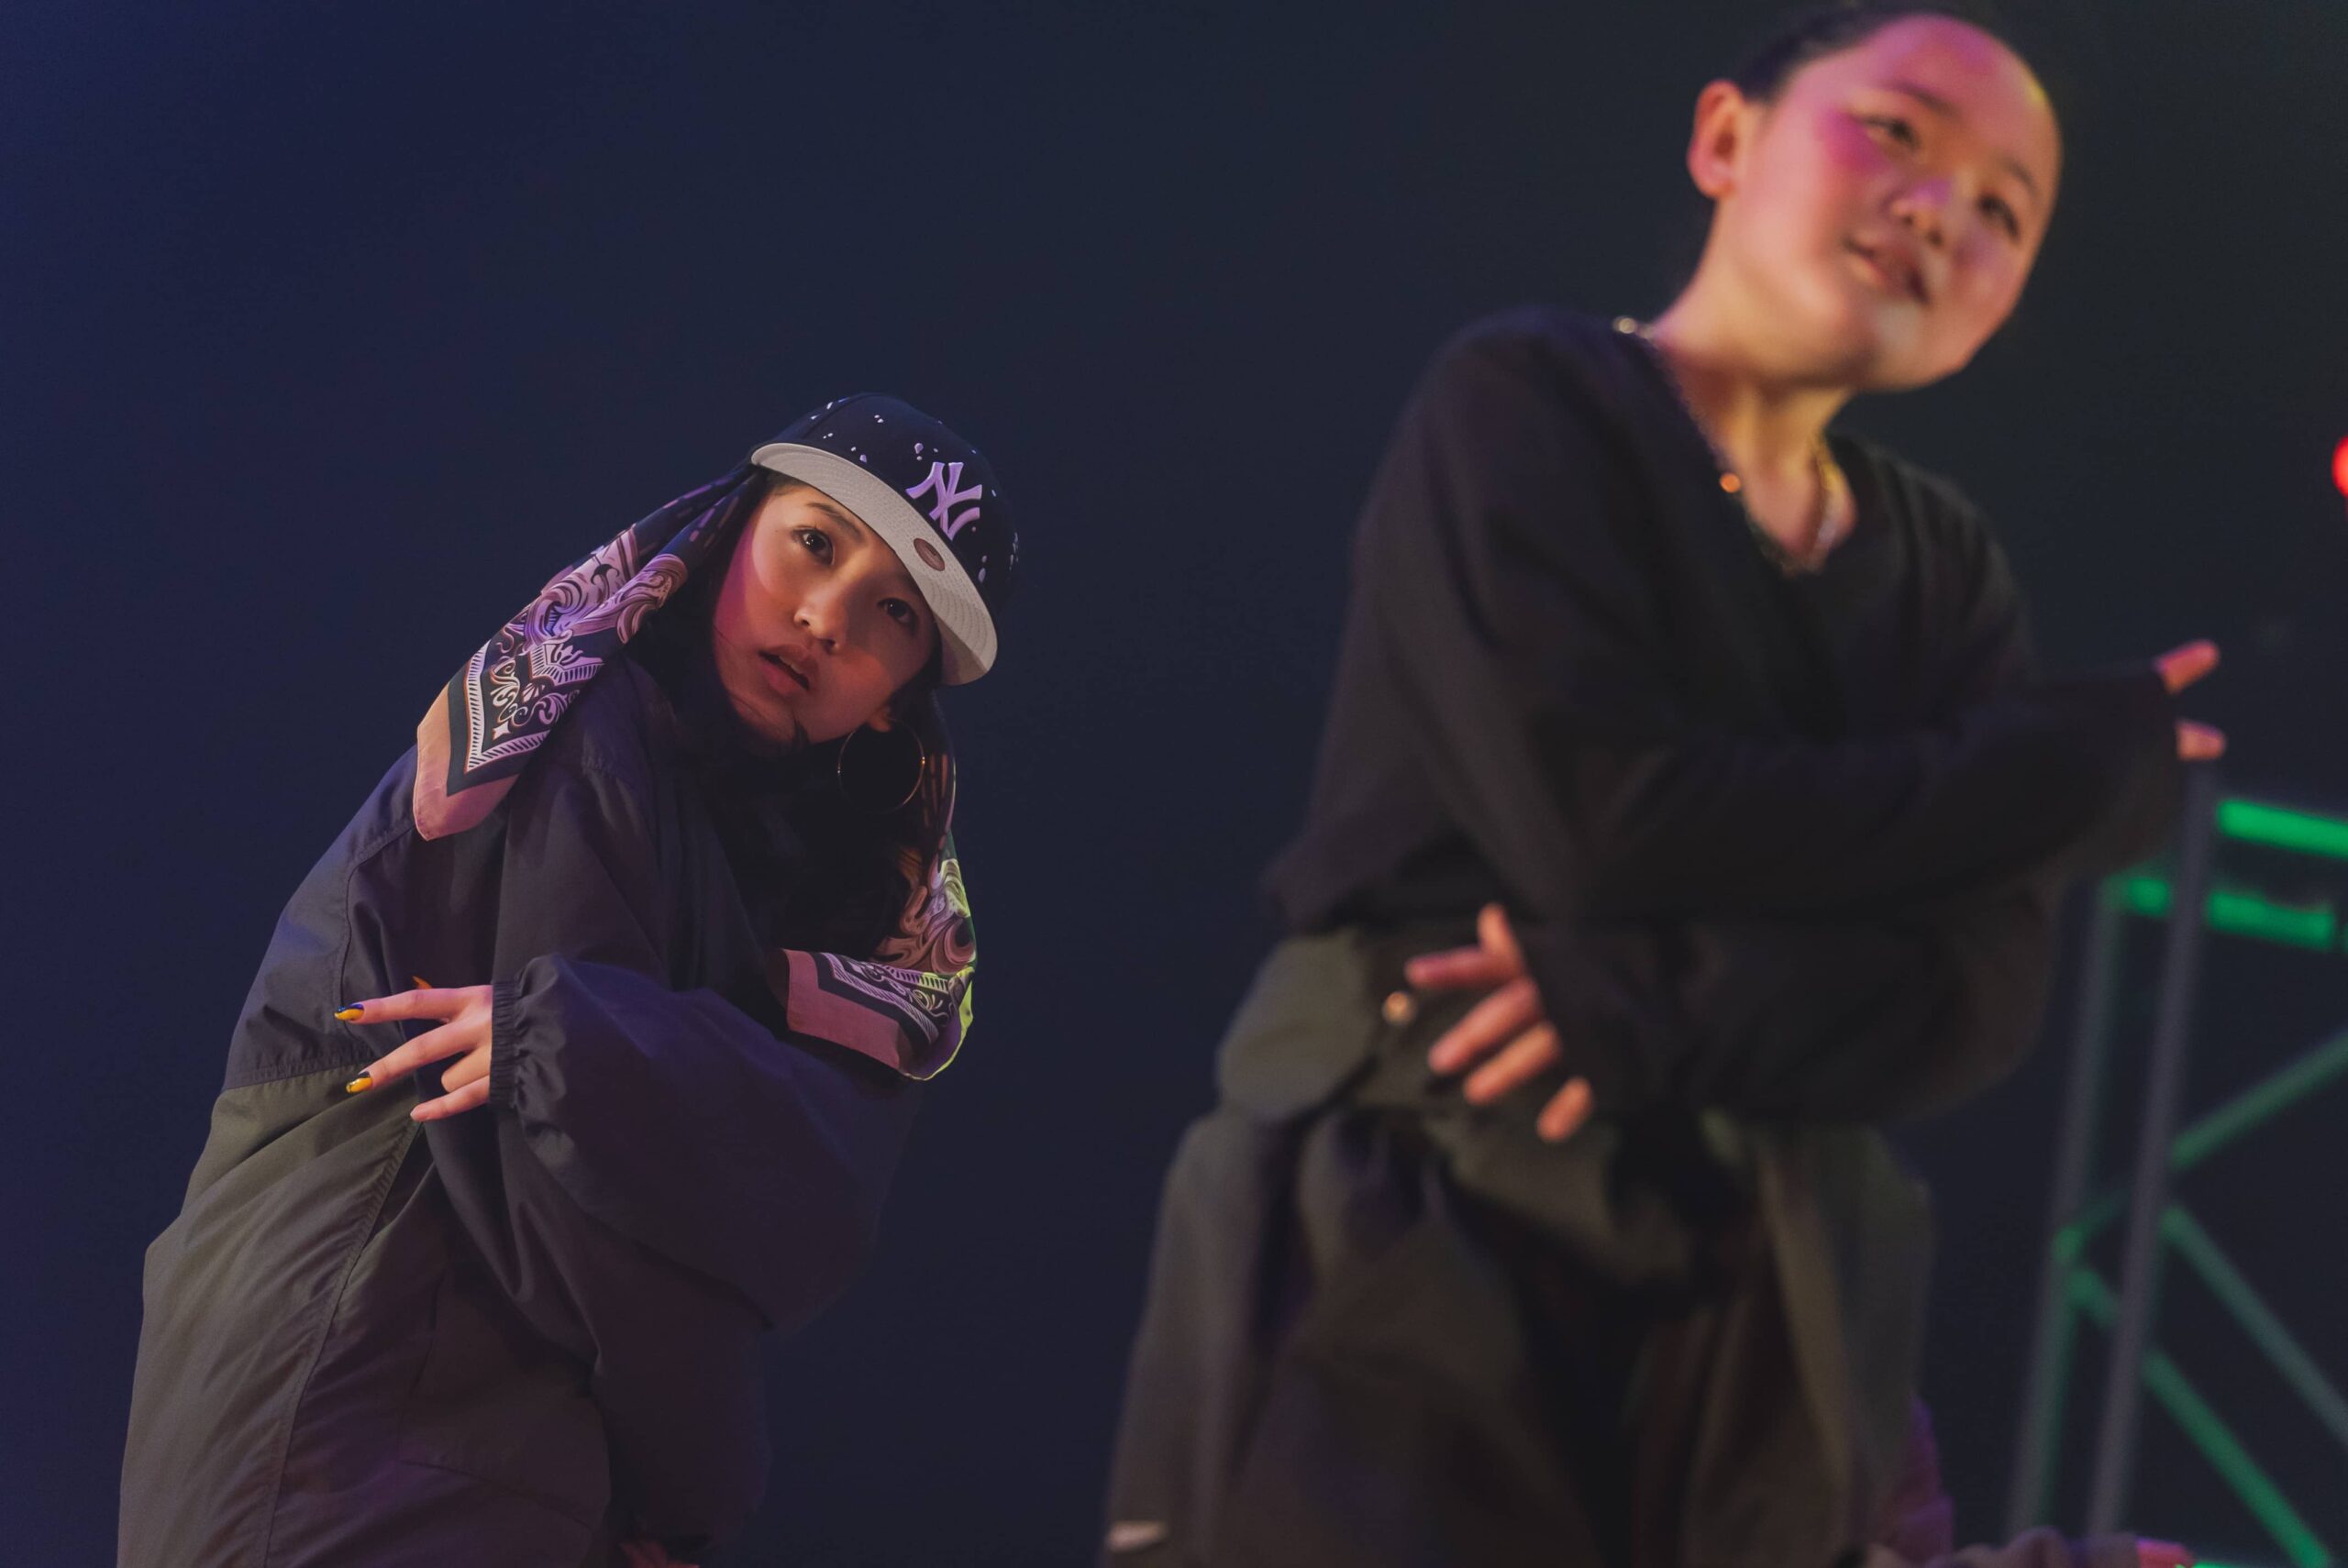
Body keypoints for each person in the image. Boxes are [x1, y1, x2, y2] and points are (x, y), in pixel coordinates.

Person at [1102, 6, 2213, 1565]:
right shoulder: (1531, 400)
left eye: (2002, 209)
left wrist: (1645, 1009)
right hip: (1421, 1216)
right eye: (1897, 132)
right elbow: (1603, 824)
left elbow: (1975, 994)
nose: (1938, 209)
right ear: (1725, 138)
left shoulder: (1943, 571)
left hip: (1769, 1289)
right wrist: (2056, 778)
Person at [118, 396, 1020, 1568]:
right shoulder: (574, 732)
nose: (824, 617)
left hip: (466, 1441)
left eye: (895, 612)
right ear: (725, 530)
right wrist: (691, 1495)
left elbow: (812, 1187)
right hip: (353, 1418)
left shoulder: (758, 869)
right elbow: (583, 1202)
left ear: (901, 694)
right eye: (813, 541)